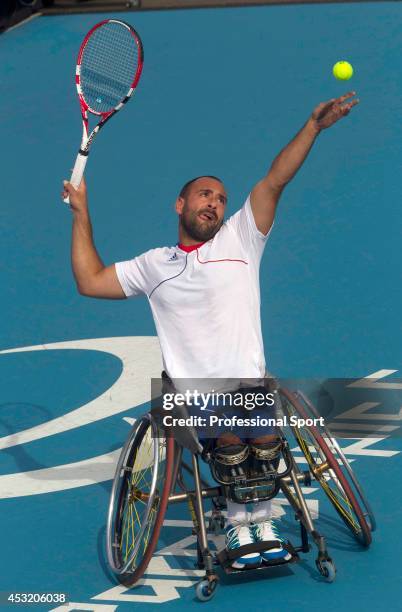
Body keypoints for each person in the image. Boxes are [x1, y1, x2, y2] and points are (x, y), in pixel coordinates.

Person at [62, 91, 359, 569]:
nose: (215, 204)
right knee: (230, 440)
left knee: (261, 440)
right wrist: (81, 215)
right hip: (193, 399)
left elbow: (275, 180)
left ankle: (258, 521)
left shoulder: (243, 238)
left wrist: (313, 127)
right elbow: (89, 280)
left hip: (250, 389)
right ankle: (244, 528)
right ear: (180, 203)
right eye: (205, 195)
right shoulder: (153, 265)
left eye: (221, 199)